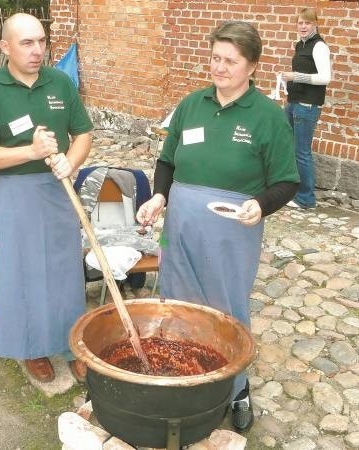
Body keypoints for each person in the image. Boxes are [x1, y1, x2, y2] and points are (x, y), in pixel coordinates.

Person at [137, 21, 299, 432]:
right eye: (215, 58)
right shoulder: (191, 104)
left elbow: (286, 180)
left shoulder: (268, 117)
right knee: (177, 300)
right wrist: (159, 196)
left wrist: (260, 205)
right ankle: (182, 376)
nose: (219, 67)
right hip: (182, 223)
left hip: (231, 229)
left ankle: (236, 388)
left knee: (226, 307)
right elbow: (167, 161)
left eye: (230, 60)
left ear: (252, 66)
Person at [0, 13, 93, 383]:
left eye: (41, 41)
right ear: (5, 46)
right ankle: (32, 347)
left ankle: (72, 344)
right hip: (14, 194)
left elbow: (83, 133)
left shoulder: (61, 83)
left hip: (57, 191)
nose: (38, 50)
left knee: (64, 270)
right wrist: (30, 152)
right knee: (20, 271)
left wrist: (69, 163)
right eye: (27, 43)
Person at [282, 8, 331, 209]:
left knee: (302, 152)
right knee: (288, 148)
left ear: (315, 24)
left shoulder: (319, 46)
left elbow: (325, 78)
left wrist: (296, 77)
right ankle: (291, 191)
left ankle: (306, 199)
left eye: (308, 23)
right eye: (300, 22)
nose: (303, 26)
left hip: (307, 106)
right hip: (294, 103)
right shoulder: (300, 45)